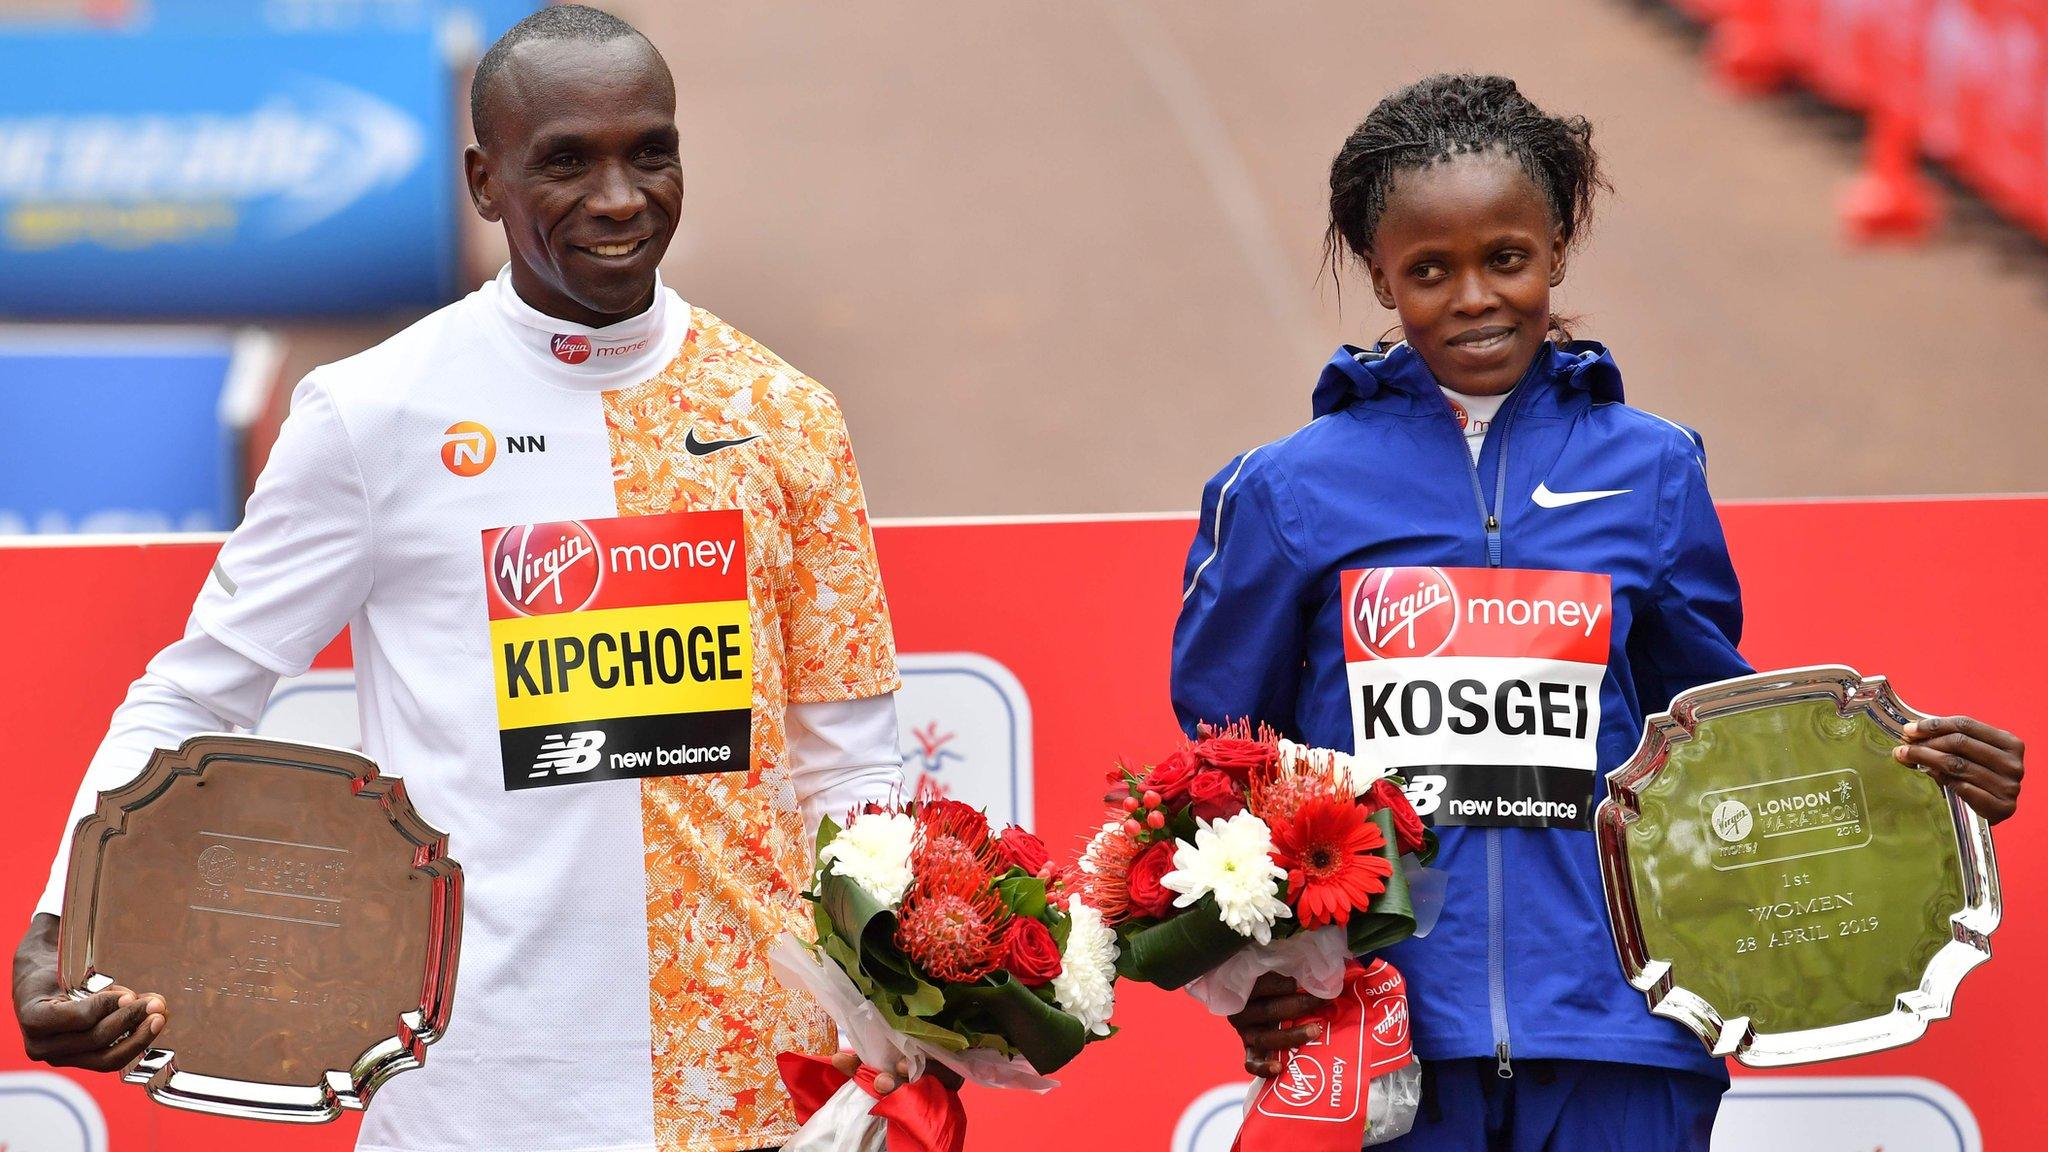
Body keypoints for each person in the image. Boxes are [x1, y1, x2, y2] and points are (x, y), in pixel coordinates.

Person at [12, 8, 913, 1152]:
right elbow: (199, 691)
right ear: (485, 182)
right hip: (478, 1096)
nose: (620, 197)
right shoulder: (374, 413)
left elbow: (851, 760)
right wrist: (65, 919)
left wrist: (905, 1017)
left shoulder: (785, 417)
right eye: (565, 161)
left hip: (759, 1083)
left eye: (650, 150)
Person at [1171, 74, 2025, 1151]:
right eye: (1428, 270)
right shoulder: (1286, 490)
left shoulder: (1652, 470)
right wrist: (1257, 976)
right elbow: (1218, 763)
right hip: (1377, 1044)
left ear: (1556, 248)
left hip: (1619, 1038)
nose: (1472, 296)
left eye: (1505, 258)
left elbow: (1715, 744)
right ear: (1378, 274)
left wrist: (1923, 793)